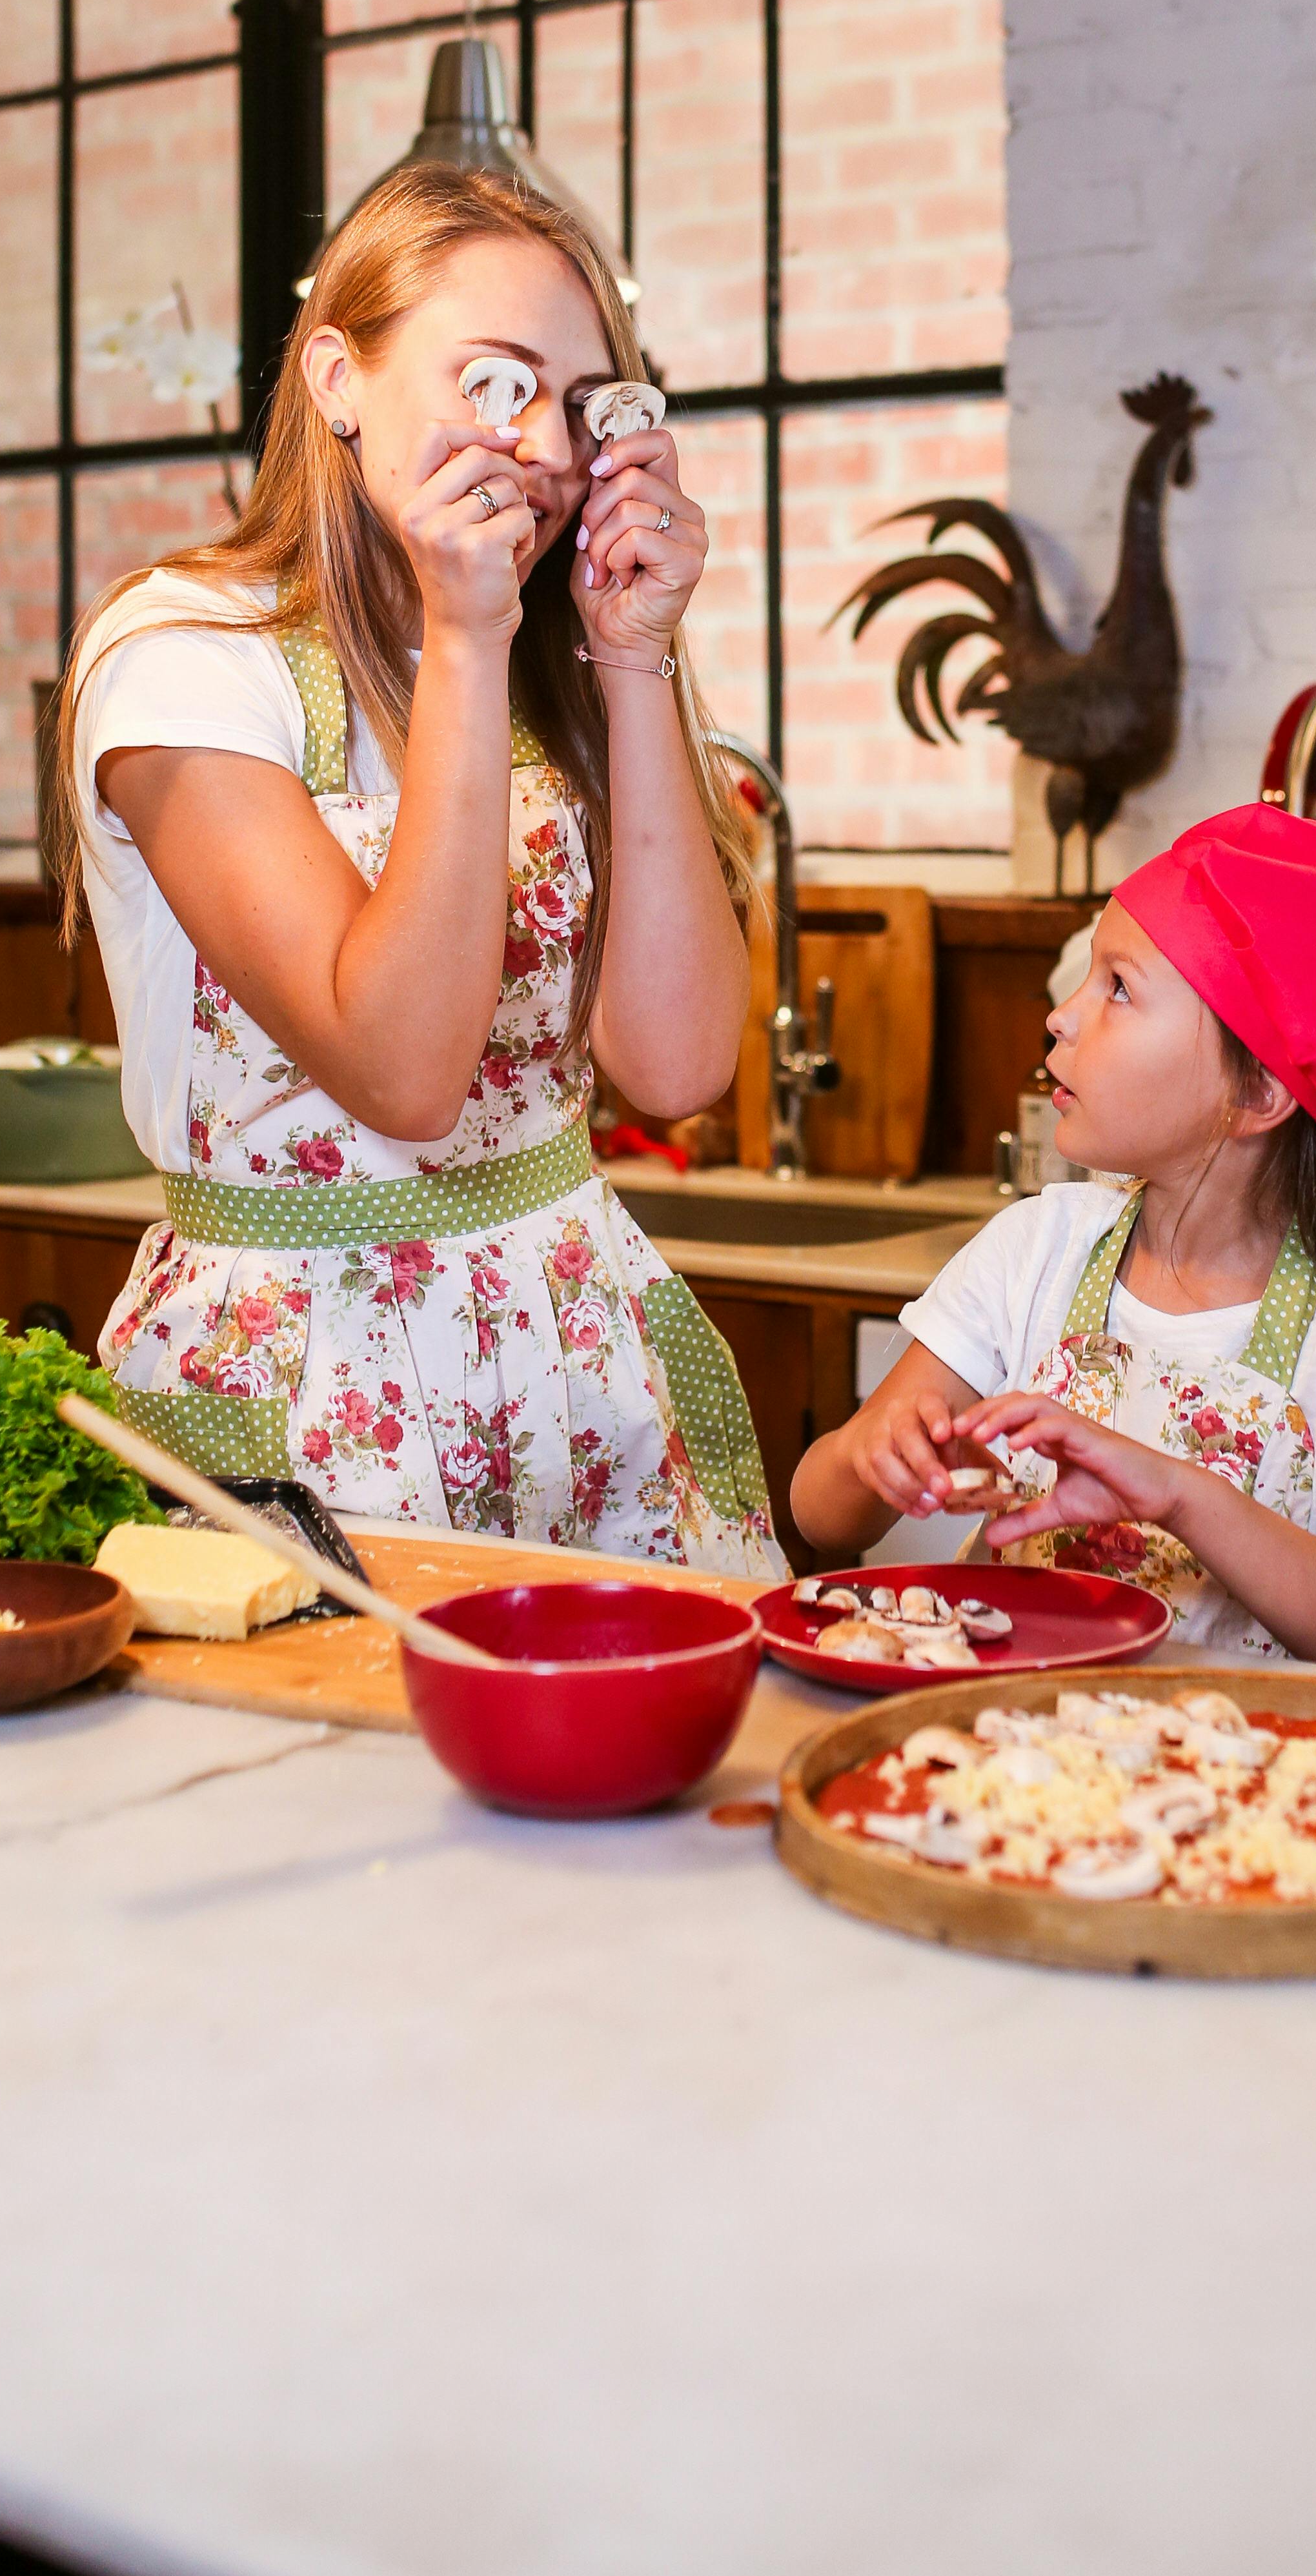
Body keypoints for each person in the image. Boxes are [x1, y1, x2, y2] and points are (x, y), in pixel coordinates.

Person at [52, 160, 782, 1576]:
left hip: (588, 1361)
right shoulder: (185, 658)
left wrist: (634, 659)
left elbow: (679, 1063)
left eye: (579, 404)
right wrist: (463, 643)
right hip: (315, 1386)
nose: (547, 453)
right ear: (339, 377)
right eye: (495, 380)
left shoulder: (548, 653)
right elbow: (401, 1069)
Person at [789, 805, 1316, 1674]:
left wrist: (1182, 1496)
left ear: (1261, 1090)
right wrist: (871, 1456)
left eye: (1118, 987)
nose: (1063, 1018)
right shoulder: (1034, 1253)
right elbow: (819, 1513)